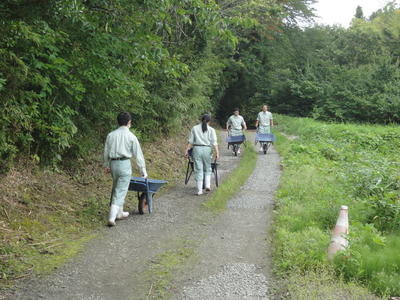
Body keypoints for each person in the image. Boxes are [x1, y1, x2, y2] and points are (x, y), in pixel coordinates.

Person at [103, 112, 147, 226]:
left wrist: (106, 165)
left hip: (113, 164)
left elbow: (106, 152)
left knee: (117, 187)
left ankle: (120, 213)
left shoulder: (111, 135)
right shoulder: (131, 136)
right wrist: (143, 170)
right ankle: (112, 217)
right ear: (129, 122)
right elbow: (138, 154)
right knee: (121, 190)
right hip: (124, 164)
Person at [185, 114, 219, 196]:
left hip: (197, 150)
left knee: (198, 169)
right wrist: (217, 152)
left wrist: (186, 150)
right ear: (209, 121)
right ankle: (207, 185)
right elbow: (214, 142)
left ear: (201, 120)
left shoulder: (195, 128)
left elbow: (191, 142)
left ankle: (199, 191)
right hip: (207, 150)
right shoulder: (211, 130)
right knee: (208, 168)